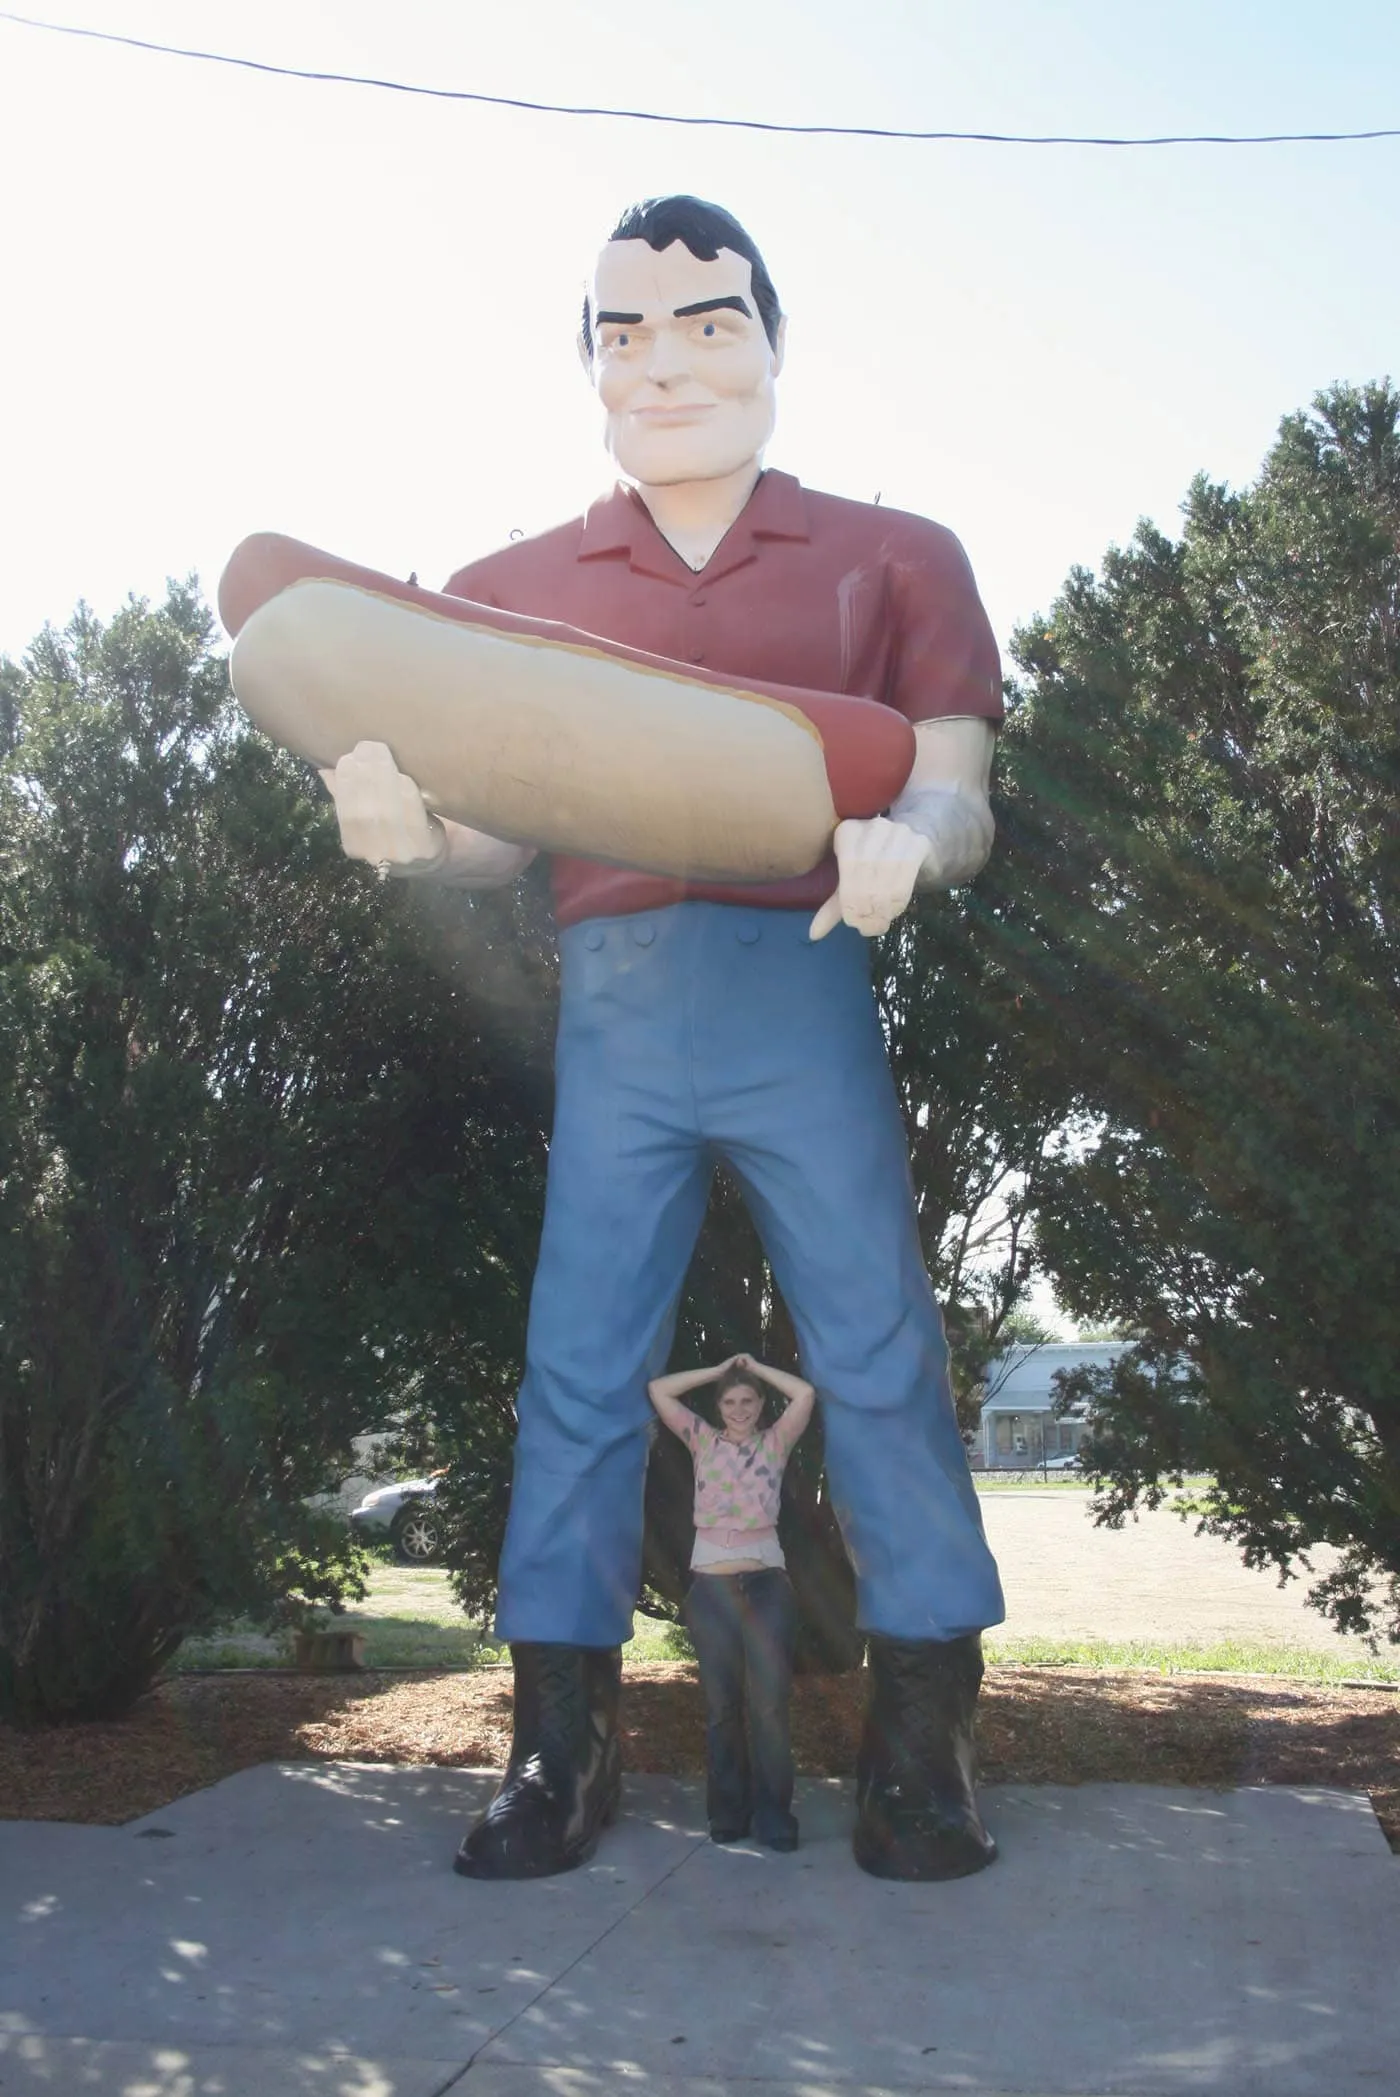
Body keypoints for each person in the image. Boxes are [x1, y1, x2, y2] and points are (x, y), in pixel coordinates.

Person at [320, 194, 1006, 1884]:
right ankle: (557, 1746)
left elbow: (955, 781)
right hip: (616, 993)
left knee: (880, 1352)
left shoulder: (893, 555)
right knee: (575, 1364)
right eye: (624, 331)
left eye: (707, 322)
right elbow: (493, 827)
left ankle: (924, 1741)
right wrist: (404, 828)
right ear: (591, 366)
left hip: (804, 966)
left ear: (770, 340)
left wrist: (914, 840)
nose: (667, 359)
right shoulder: (507, 591)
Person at [648, 1352, 814, 1850]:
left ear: (761, 1404)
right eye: (730, 1401)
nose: (739, 1408)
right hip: (712, 1591)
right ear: (718, 1406)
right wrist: (720, 1370)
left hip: (766, 1588)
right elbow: (660, 1390)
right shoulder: (701, 1439)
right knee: (722, 1708)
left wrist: (758, 1368)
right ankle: (728, 1815)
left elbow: (804, 1394)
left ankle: (774, 1818)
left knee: (768, 1708)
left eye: (748, 1400)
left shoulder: (776, 1442)